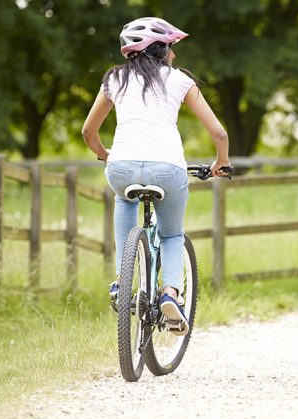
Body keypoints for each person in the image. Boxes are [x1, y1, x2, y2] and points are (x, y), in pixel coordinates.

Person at [82, 17, 231, 336]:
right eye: (172, 48)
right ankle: (170, 295)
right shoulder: (179, 80)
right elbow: (218, 132)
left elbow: (88, 131)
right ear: (161, 49)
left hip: (121, 167)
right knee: (172, 235)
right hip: (168, 169)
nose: (175, 55)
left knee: (124, 201)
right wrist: (222, 162)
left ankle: (122, 283)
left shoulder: (114, 80)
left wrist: (107, 155)